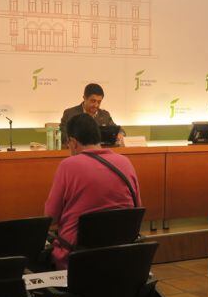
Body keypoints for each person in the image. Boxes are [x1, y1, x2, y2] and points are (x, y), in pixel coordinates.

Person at [45, 114, 140, 269]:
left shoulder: (68, 166)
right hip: (121, 255)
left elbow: (51, 217)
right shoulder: (125, 162)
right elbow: (136, 209)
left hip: (77, 258)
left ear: (73, 142)